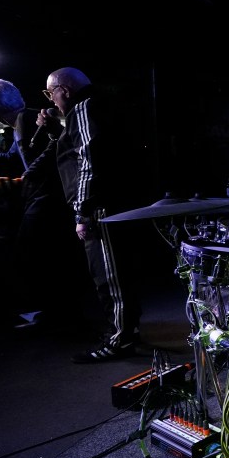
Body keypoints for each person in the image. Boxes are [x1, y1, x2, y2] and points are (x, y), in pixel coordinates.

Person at [43, 66, 143, 363]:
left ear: (66, 90)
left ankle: (119, 341)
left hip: (103, 207)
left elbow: (89, 159)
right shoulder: (103, 105)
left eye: (51, 92)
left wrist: (82, 212)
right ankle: (126, 331)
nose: (51, 100)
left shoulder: (83, 107)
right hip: (118, 202)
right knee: (121, 273)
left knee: (109, 276)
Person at [0, 78, 77, 327]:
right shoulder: (22, 122)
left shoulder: (28, 121)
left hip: (47, 199)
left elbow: (54, 155)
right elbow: (9, 158)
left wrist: (25, 178)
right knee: (41, 258)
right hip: (44, 197)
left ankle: (56, 315)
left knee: (30, 256)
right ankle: (55, 313)